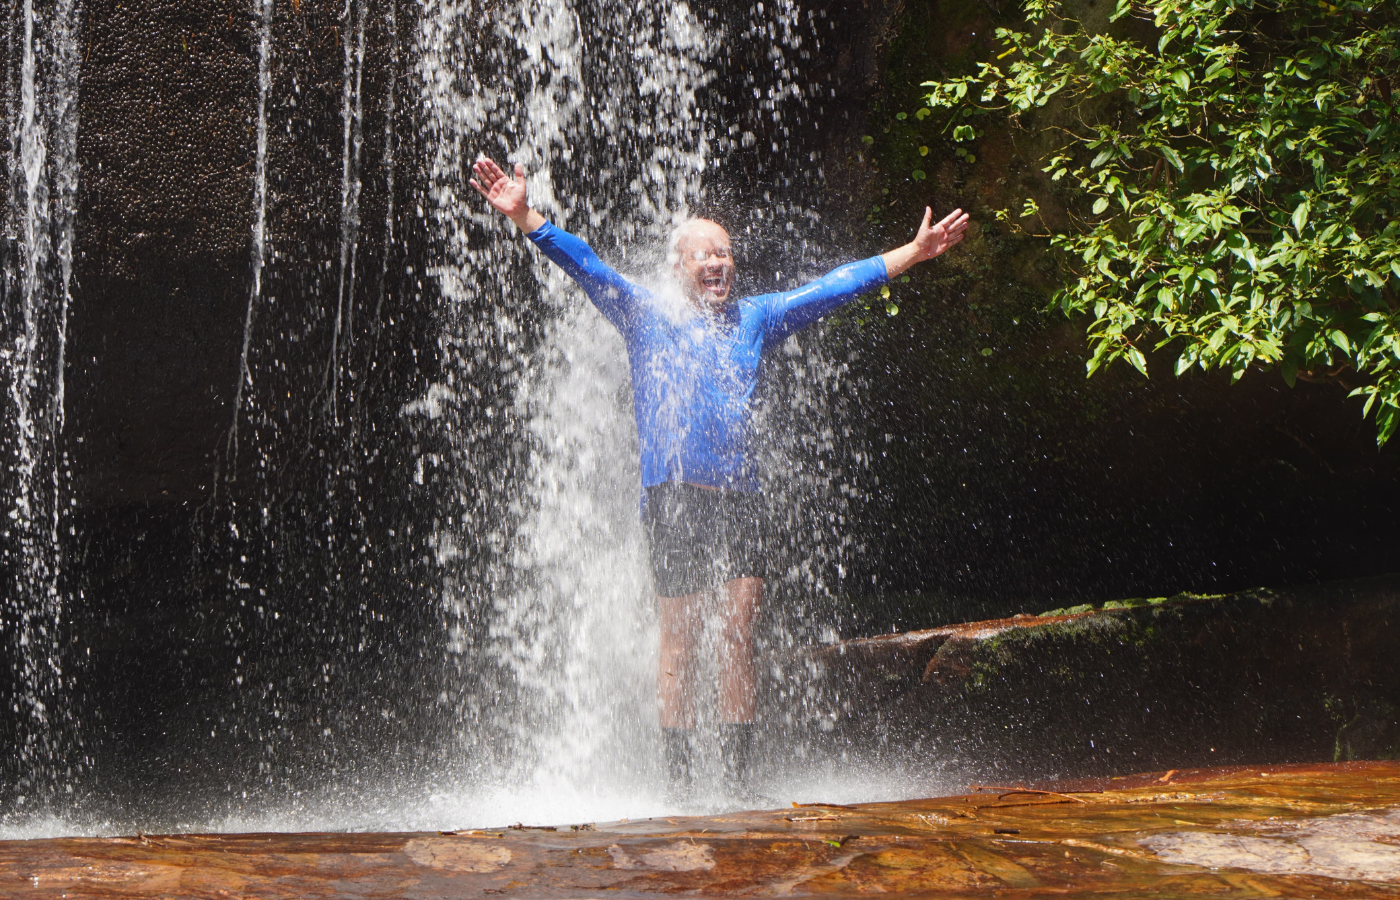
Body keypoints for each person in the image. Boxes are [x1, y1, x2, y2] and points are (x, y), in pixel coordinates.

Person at [471, 156, 969, 799]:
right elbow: (587, 264)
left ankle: (734, 787)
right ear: (678, 267)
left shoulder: (755, 317)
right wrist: (525, 216)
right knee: (679, 642)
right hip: (672, 500)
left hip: (741, 500)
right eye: (703, 254)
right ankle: (681, 791)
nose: (718, 263)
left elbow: (830, 287)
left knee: (738, 634)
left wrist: (914, 252)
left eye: (726, 253)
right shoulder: (645, 315)